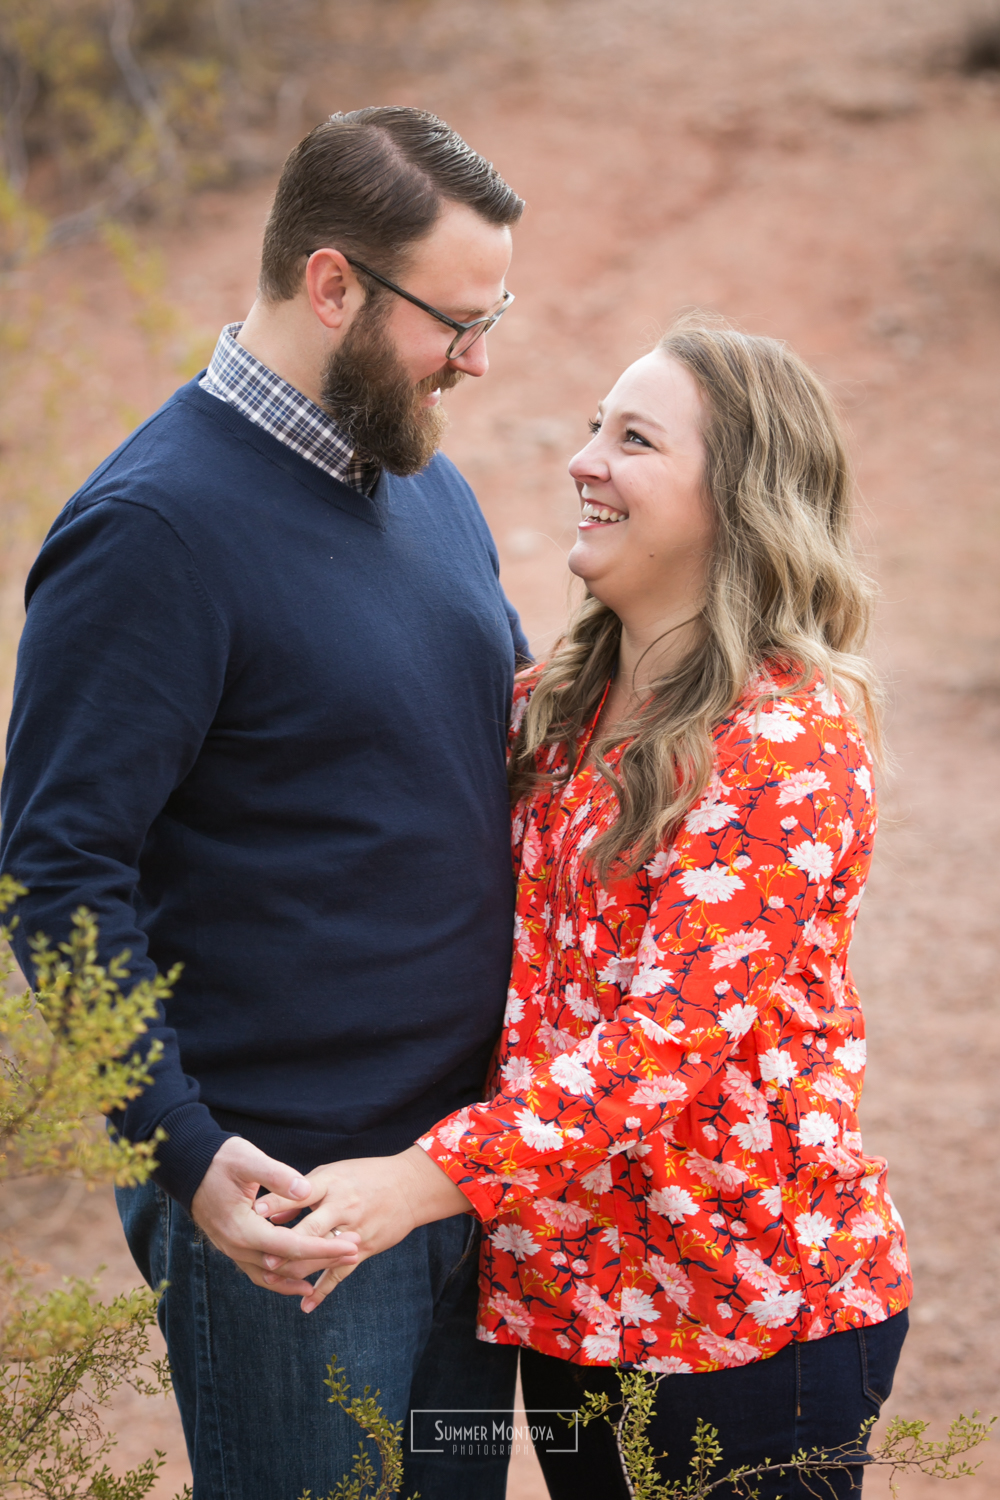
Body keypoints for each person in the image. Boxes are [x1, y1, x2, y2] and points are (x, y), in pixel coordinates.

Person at [257, 317, 913, 1499]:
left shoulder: (787, 740)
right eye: (592, 429)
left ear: (738, 500)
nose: (584, 460)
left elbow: (660, 1052)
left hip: (745, 1316)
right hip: (573, 1306)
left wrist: (414, 1182)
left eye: (634, 439)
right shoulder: (557, 710)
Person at [0, 107, 527, 1500]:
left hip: (458, 1177)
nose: (479, 360)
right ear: (334, 282)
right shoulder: (152, 534)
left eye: (497, 315)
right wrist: (185, 1152)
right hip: (290, 1216)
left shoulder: (422, 480)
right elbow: (55, 872)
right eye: (456, 321)